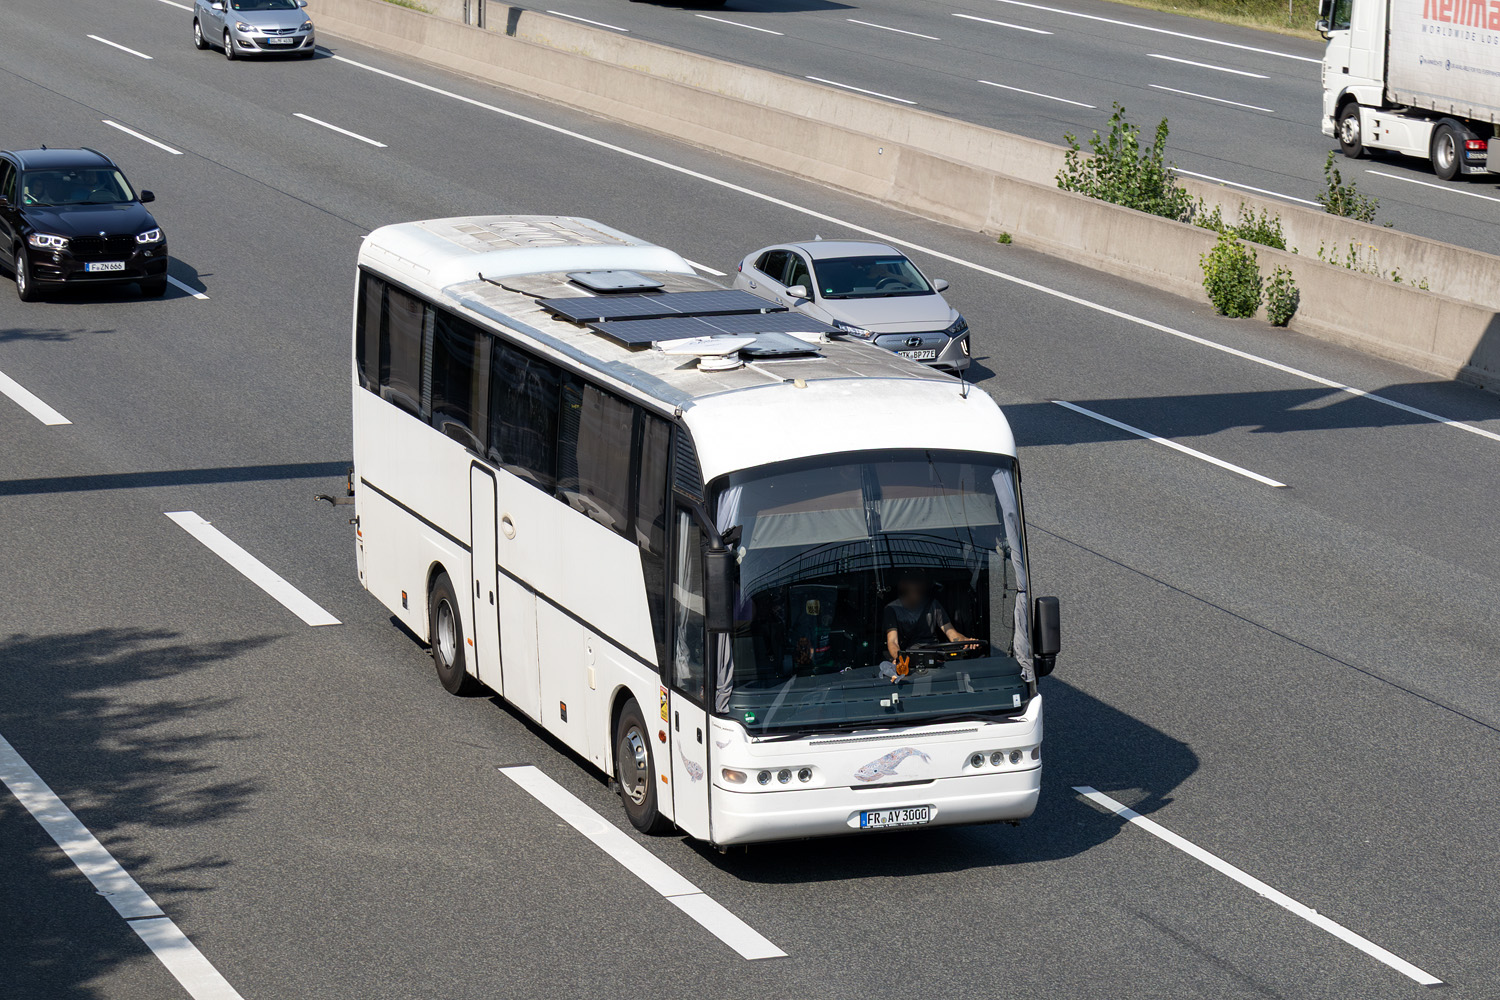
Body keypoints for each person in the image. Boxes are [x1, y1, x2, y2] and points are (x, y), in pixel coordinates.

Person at [883, 575, 975, 667]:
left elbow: (951, 633)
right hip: (909, 661)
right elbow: (893, 641)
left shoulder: (933, 605)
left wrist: (965, 640)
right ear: (903, 587)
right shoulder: (892, 609)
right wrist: (899, 658)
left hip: (935, 657)